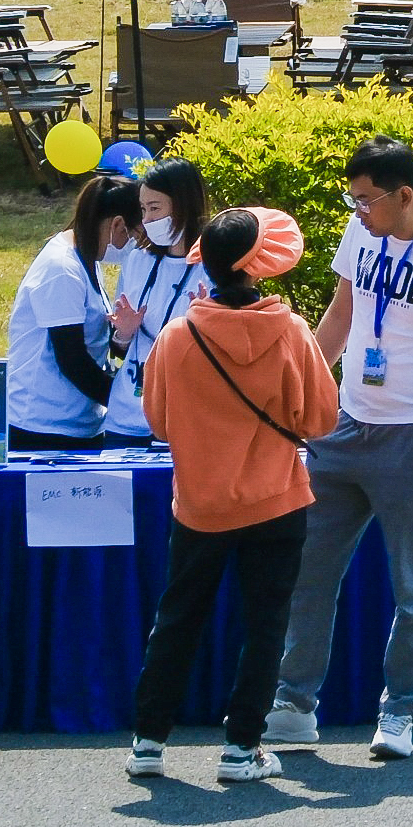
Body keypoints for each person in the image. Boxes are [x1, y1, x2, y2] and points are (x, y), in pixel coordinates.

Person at [266, 136, 413, 762]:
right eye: (353, 198)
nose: (357, 209)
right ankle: (294, 702)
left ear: (406, 195)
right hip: (346, 424)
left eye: (367, 199)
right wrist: (303, 388)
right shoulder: (358, 233)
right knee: (308, 570)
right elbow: (340, 316)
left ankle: (399, 710)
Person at [129, 207, 335, 784]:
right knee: (266, 624)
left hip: (199, 502)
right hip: (276, 500)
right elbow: (320, 418)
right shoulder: (292, 332)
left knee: (178, 618)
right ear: (261, 266)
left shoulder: (176, 335)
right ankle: (243, 748)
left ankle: (149, 741)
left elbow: (159, 422)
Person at [5, 175, 142, 452]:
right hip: (42, 428)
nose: (135, 245)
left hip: (78, 423)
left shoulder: (88, 260)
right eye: (135, 234)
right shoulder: (62, 270)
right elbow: (72, 360)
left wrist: (122, 339)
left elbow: (94, 347)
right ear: (117, 224)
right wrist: (126, 403)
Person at [100, 159, 210, 449]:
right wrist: (122, 334)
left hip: (182, 421)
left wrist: (209, 323)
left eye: (156, 208)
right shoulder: (137, 260)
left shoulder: (212, 267)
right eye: (143, 209)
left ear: (184, 205)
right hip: (125, 417)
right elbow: (116, 349)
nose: (147, 220)